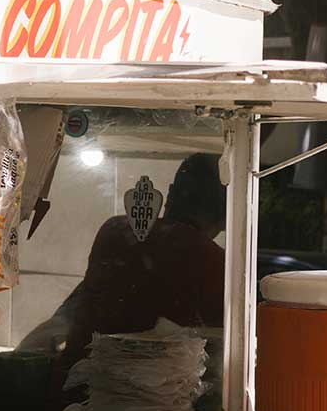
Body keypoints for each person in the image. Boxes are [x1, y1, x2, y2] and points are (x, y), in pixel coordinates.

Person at [55, 152, 228, 375]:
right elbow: (225, 346)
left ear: (170, 194)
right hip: (140, 400)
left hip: (74, 385)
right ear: (226, 214)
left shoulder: (114, 231)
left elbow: (82, 309)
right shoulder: (208, 258)